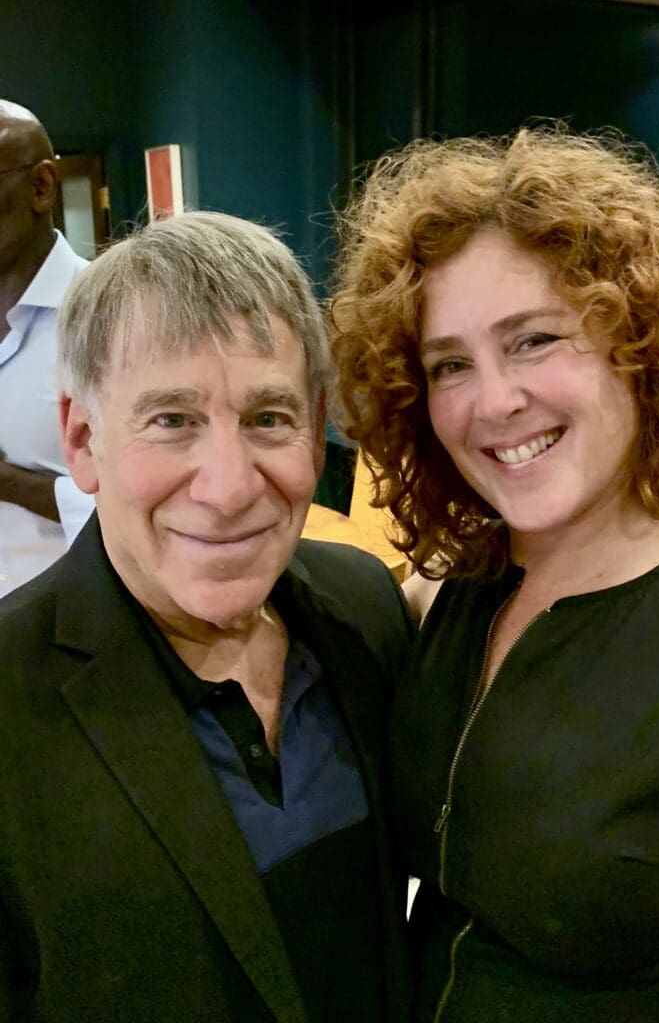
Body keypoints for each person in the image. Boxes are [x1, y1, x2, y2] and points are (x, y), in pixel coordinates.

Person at [331, 128, 659, 1020]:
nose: (492, 401)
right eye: (451, 363)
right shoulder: (452, 593)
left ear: (642, 344)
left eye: (532, 341)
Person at [0, 211, 412, 1022]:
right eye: (172, 420)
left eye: (267, 418)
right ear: (82, 440)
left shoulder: (365, 607)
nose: (227, 488)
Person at [0, 99, 93, 595]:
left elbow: (153, 502)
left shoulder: (112, 318)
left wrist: (12, 484)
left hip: (74, 636)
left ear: (40, 186)